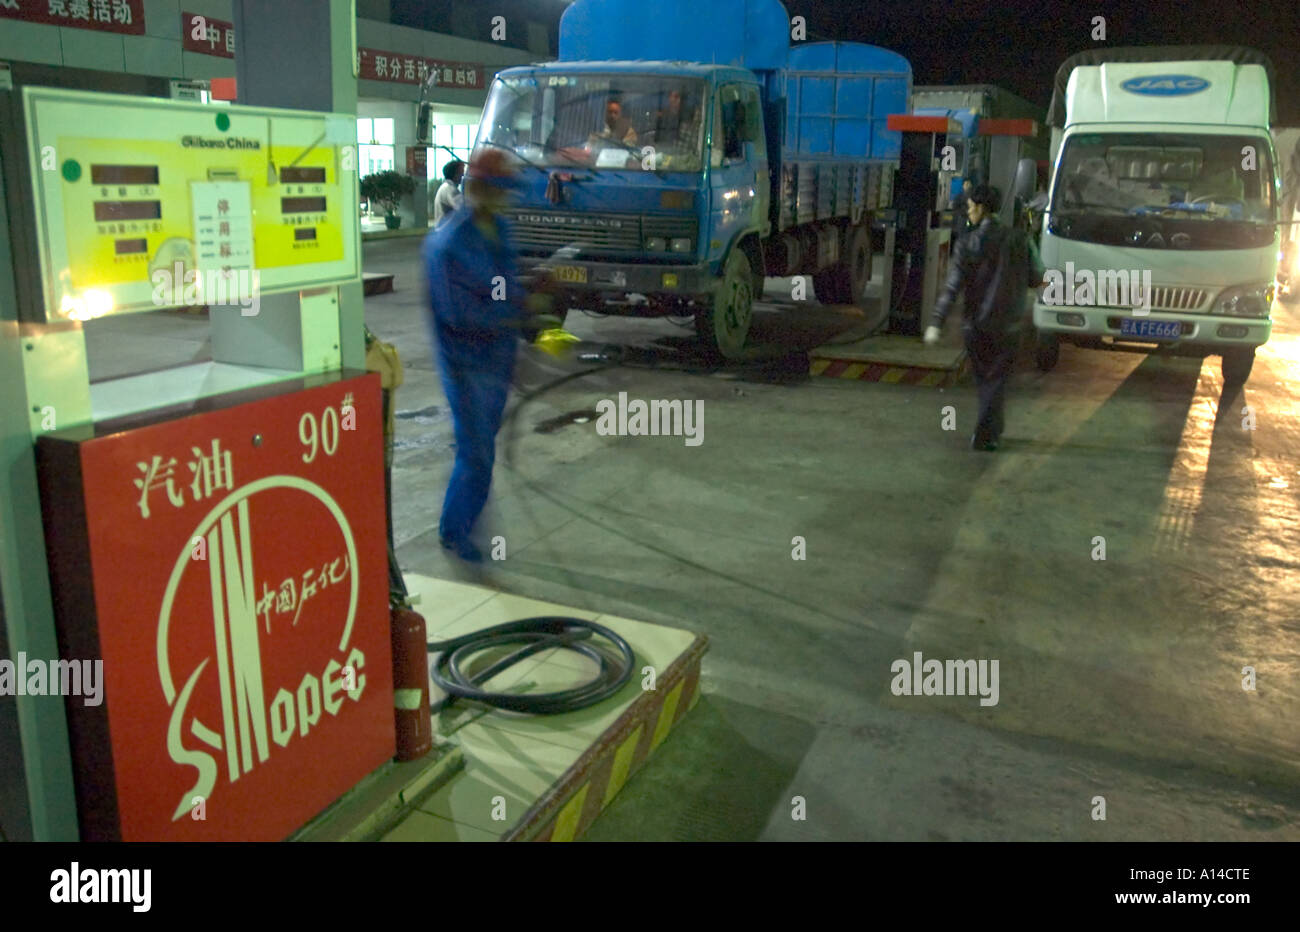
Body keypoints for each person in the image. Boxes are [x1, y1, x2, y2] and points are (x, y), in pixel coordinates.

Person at [422, 148, 553, 561]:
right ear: (475, 187)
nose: (503, 199)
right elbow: (459, 314)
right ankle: (455, 532)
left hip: (496, 361)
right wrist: (516, 313)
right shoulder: (447, 245)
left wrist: (530, 294)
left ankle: (461, 525)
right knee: (476, 452)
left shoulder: (498, 229)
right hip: (465, 364)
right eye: (497, 190)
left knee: (482, 449)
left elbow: (502, 283)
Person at [924, 184, 1044, 451]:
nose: (969, 213)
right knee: (997, 381)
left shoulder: (967, 243)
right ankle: (987, 433)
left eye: (969, 208)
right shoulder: (1021, 239)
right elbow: (1038, 277)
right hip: (1009, 326)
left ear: (979, 208)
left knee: (987, 381)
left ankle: (989, 431)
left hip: (976, 327)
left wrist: (936, 322)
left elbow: (952, 287)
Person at [431, 159, 464, 227]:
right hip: (447, 232)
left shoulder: (445, 187)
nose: (463, 175)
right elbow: (463, 208)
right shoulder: (450, 189)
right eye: (461, 173)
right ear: (455, 174)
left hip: (443, 230)